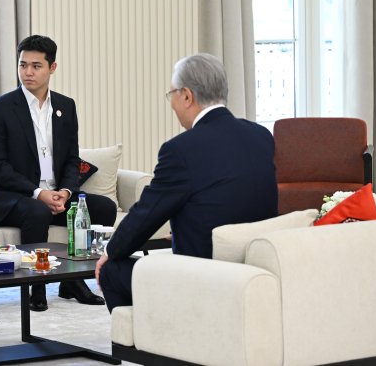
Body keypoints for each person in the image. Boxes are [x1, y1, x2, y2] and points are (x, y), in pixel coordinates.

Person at [96, 53, 278, 312]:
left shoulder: (181, 149)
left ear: (187, 96)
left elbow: (147, 215)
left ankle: (160, 336)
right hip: (253, 274)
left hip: (204, 280)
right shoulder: (260, 135)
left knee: (112, 271)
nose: (171, 102)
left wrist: (110, 251)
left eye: (171, 93)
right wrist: (186, 227)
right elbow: (236, 196)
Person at [0, 34, 117, 312]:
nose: (27, 72)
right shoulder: (0, 108)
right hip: (17, 197)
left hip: (57, 194)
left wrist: (66, 192)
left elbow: (71, 158)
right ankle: (37, 285)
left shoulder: (65, 106)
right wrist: (38, 193)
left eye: (36, 66)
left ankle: (74, 280)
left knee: (103, 207)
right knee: (37, 211)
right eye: (23, 65)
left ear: (52, 68)